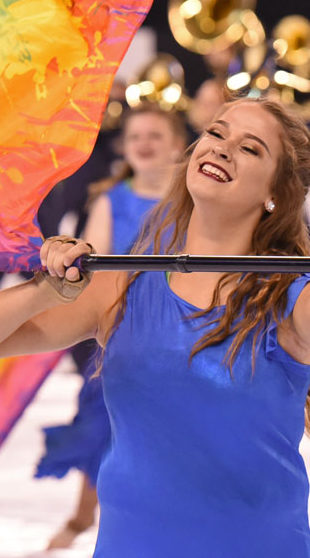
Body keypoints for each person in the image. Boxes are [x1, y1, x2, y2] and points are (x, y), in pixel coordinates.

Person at [0, 97, 310, 556]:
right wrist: (44, 291)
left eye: (250, 148)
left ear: (275, 193)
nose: (221, 148)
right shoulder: (122, 287)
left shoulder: (287, 293)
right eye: (217, 133)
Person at [34, 103, 187, 549]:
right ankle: (83, 516)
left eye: (156, 135)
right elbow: (94, 267)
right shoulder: (111, 200)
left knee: (174, 429)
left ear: (178, 145)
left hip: (183, 333)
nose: (144, 143)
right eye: (136, 135)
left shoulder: (192, 203)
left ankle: (170, 519)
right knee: (103, 423)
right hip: (122, 334)